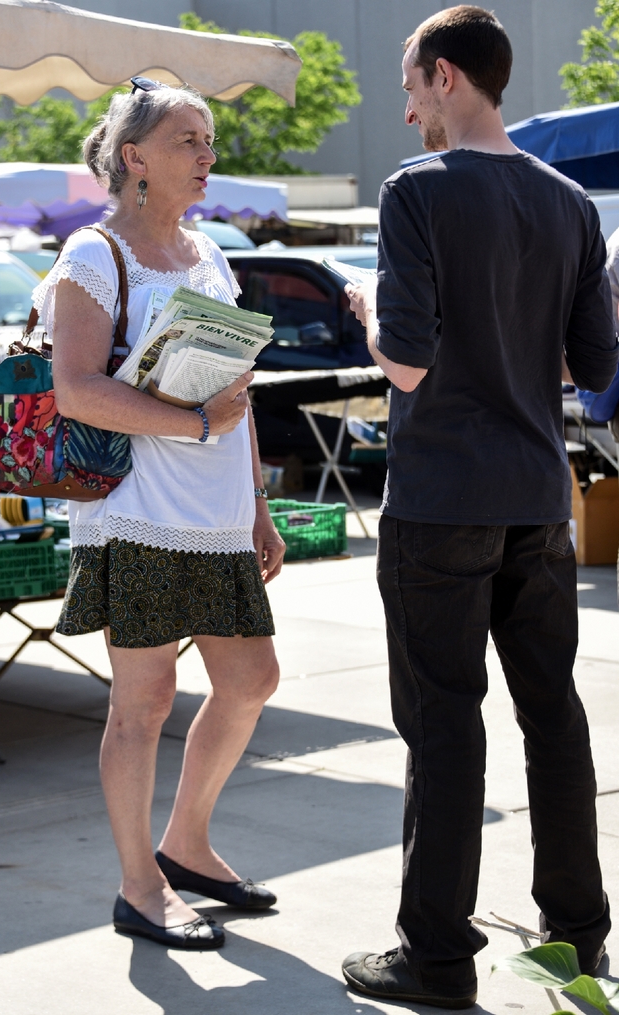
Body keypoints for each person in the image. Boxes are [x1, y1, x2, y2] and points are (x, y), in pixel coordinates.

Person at [341, 6, 617, 1008]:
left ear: (448, 77)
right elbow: (593, 366)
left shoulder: (416, 191)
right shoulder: (569, 203)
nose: (406, 103)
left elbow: (406, 361)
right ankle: (578, 938)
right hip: (537, 497)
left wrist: (374, 313)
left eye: (412, 83)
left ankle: (438, 956)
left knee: (446, 723)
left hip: (443, 499)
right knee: (554, 714)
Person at [33, 79, 285, 950]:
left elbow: (234, 393)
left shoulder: (209, 253)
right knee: (143, 704)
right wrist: (194, 424)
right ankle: (140, 885)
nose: (208, 156)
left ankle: (186, 843)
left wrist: (256, 502)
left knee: (253, 681)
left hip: (217, 511)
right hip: (134, 510)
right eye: (189, 140)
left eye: (209, 140)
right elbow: (75, 391)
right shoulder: (94, 255)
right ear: (134, 156)